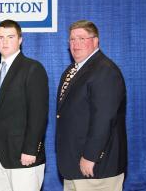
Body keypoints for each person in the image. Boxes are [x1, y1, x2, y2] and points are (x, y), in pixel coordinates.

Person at [56, 20, 127, 191]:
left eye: (82, 38)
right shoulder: (71, 71)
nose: (76, 44)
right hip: (73, 165)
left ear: (95, 41)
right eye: (72, 39)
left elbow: (104, 119)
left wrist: (91, 156)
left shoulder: (105, 71)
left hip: (96, 167)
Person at [0, 19, 49, 191]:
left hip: (23, 155)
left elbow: (38, 114)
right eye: (0, 37)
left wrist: (31, 149)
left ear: (20, 40)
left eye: (10, 37)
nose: (4, 41)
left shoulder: (33, 68)